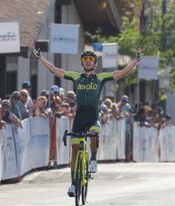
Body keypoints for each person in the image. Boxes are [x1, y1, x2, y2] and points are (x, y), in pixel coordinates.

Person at [33, 46, 144, 197]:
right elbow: (54, 70)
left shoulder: (100, 77)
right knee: (75, 149)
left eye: (91, 59)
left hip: (92, 115)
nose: (88, 61)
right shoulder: (76, 76)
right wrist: (40, 58)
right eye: (85, 59)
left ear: (95, 63)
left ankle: (93, 159)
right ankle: (73, 184)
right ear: (82, 63)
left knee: (93, 133)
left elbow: (122, 73)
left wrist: (136, 61)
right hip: (79, 116)